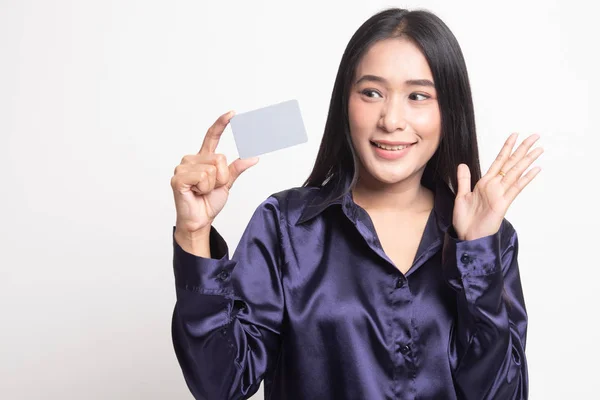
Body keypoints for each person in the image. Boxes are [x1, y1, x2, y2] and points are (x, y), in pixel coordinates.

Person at [169, 7, 541, 400]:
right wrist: (194, 234)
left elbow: (503, 393)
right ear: (345, 104)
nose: (391, 119)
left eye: (418, 95)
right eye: (371, 92)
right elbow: (220, 384)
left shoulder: (490, 238)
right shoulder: (285, 226)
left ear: (448, 111)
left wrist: (476, 253)